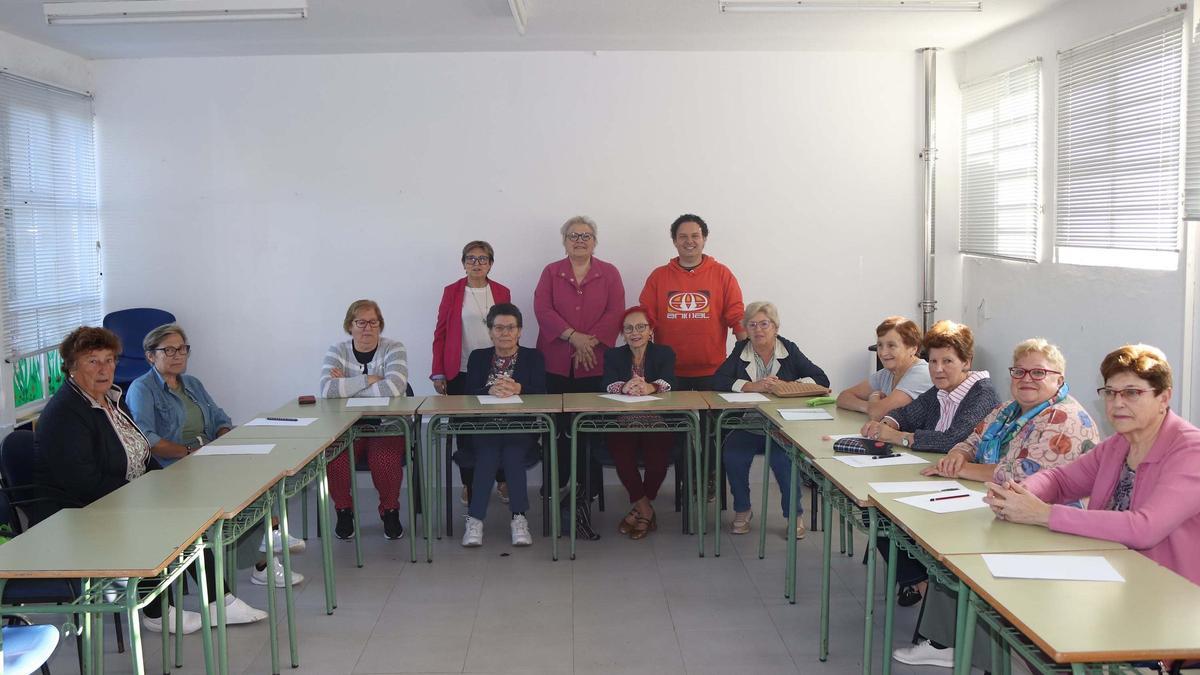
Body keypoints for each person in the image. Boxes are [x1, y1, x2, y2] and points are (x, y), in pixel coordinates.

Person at [34, 327, 266, 634]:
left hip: (122, 496)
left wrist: (161, 481)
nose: (104, 369)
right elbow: (83, 482)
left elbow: (140, 450)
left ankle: (216, 601)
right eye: (93, 361)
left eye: (109, 360)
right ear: (72, 367)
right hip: (83, 512)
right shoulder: (67, 412)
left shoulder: (110, 399)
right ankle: (159, 612)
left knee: (187, 512)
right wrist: (144, 495)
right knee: (171, 520)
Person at [893, 338, 1100, 670]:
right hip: (1000, 506)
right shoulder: (1009, 409)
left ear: (1058, 379)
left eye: (1038, 372)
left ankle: (957, 644)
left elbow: (1017, 477)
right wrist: (959, 453)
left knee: (962, 548)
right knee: (943, 540)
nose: (1026, 379)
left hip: (1053, 528)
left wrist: (956, 468)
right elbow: (973, 437)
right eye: (1019, 371)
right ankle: (946, 641)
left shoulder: (1064, 419)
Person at [986, 344, 1200, 582]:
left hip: (1173, 591)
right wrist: (1019, 493)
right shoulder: (1119, 444)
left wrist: (1043, 513)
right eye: (1110, 392)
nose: (1117, 403)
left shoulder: (1192, 451)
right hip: (1109, 573)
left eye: (1131, 393)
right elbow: (1061, 480)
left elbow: (1145, 529)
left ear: (1164, 397)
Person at [128, 322, 304, 588]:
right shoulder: (142, 389)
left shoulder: (192, 383)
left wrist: (224, 436)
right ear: (151, 356)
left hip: (207, 454)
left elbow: (220, 417)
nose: (178, 355)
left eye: (182, 349)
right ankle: (267, 550)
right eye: (169, 350)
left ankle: (269, 539)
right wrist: (189, 452)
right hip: (173, 465)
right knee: (235, 493)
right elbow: (147, 440)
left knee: (258, 473)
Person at [859, 319, 998, 606]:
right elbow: (909, 412)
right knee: (873, 510)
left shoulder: (983, 394)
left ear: (966, 362)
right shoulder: (939, 390)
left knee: (890, 514)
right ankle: (918, 581)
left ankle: (926, 586)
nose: (937, 369)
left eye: (947, 361)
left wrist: (900, 438)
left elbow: (952, 440)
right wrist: (886, 421)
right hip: (933, 474)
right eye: (932, 361)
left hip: (969, 486)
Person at [639, 214, 746, 502]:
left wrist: (746, 352)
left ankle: (708, 480)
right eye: (683, 237)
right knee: (678, 434)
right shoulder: (659, 277)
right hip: (670, 374)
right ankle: (686, 483)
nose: (689, 241)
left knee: (711, 433)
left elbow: (736, 315)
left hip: (712, 371)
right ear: (674, 241)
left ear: (704, 239)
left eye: (695, 236)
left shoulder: (722, 274)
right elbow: (646, 316)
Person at [534, 215, 624, 539]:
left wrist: (590, 341)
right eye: (574, 235)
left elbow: (616, 312)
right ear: (564, 241)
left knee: (588, 430)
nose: (580, 240)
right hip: (555, 363)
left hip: (595, 363)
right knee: (557, 430)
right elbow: (542, 310)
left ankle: (586, 493)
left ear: (595, 241)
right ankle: (555, 487)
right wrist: (573, 336)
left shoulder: (609, 273)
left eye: (586, 235)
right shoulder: (550, 272)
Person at [713, 301, 828, 539]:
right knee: (733, 455)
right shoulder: (741, 350)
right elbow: (717, 380)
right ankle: (743, 509)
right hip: (747, 424)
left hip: (781, 426)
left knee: (784, 460)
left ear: (775, 327)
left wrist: (787, 386)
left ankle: (794, 515)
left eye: (764, 324)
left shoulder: (789, 350)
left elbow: (821, 379)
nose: (758, 330)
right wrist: (750, 386)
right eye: (752, 324)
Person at [319, 299, 409, 541]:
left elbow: (395, 387)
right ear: (350, 325)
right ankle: (343, 510)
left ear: (380, 326)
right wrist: (369, 379)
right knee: (335, 458)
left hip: (387, 426)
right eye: (360, 322)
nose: (367, 328)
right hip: (347, 428)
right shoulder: (337, 350)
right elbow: (327, 391)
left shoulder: (394, 348)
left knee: (383, 459)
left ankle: (390, 511)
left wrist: (345, 386)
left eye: (373, 322)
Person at [431, 240, 512, 507]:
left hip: (497, 370)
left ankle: (502, 478)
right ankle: (469, 484)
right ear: (463, 262)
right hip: (461, 371)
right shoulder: (451, 292)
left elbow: (509, 329)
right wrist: (438, 372)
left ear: (491, 263)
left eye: (482, 258)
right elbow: (440, 333)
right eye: (471, 258)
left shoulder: (501, 291)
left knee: (500, 428)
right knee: (464, 432)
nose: (476, 263)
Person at [461, 303, 547, 548]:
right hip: (485, 427)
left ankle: (519, 518)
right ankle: (475, 520)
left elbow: (542, 393)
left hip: (520, 427)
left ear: (519, 331)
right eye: (498, 327)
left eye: (510, 328)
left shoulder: (534, 357)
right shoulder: (478, 358)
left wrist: (519, 388)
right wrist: (490, 389)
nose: (504, 333)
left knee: (512, 454)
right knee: (487, 453)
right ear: (490, 331)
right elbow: (468, 395)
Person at [601, 306, 677, 539]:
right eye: (629, 328)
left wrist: (650, 386)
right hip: (624, 420)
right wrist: (625, 386)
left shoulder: (664, 353)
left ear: (651, 330)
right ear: (623, 333)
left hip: (656, 420)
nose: (635, 333)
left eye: (641, 327)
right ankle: (645, 510)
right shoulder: (613, 355)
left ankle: (639, 509)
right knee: (622, 456)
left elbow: (669, 381)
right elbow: (608, 384)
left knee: (657, 461)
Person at [836, 316, 933, 420]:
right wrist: (871, 406)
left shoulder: (921, 374)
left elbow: (878, 413)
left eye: (891, 345)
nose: (883, 353)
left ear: (913, 349)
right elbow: (843, 397)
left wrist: (874, 399)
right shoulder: (887, 373)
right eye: (880, 345)